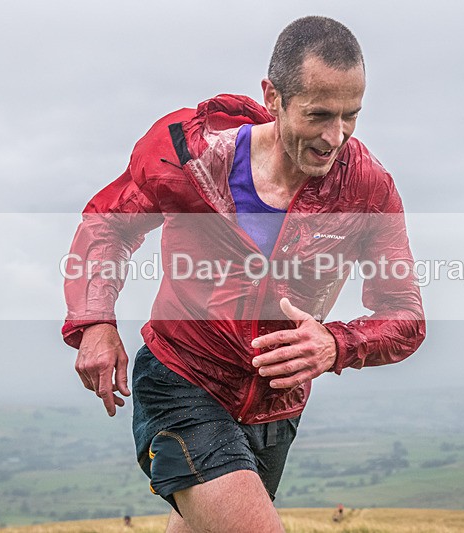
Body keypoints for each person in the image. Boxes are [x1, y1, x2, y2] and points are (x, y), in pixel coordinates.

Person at [62, 16, 425, 533]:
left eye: (351, 116)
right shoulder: (189, 156)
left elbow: (405, 315)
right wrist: (95, 320)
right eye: (319, 115)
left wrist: (335, 344)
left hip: (276, 409)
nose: (335, 137)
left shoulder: (367, 188)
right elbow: (109, 224)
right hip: (182, 381)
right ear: (273, 97)